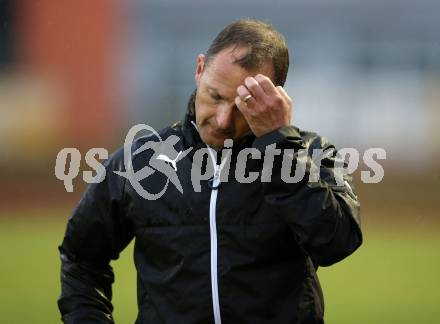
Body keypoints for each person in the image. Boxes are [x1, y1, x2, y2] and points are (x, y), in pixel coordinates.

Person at [58, 19, 362, 324]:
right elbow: (80, 258)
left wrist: (278, 146)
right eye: (215, 96)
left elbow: (336, 242)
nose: (222, 121)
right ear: (200, 69)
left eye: (243, 105)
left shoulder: (310, 154)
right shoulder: (140, 161)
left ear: (274, 97)